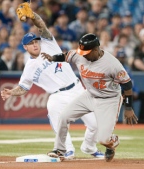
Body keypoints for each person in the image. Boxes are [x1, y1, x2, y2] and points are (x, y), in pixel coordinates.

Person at [1, 10, 104, 160]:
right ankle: (67, 150)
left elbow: (41, 26)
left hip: (76, 88)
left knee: (95, 124)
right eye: (30, 43)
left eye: (35, 41)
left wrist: (32, 15)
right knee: (53, 108)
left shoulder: (49, 44)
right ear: (25, 47)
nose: (35, 44)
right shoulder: (29, 68)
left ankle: (89, 147)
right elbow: (23, 87)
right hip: (58, 95)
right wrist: (11, 92)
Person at [41, 33, 138, 162]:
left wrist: (129, 107)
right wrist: (52, 58)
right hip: (89, 95)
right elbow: (66, 56)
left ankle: (111, 143)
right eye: (82, 51)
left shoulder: (112, 64)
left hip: (108, 100)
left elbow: (127, 85)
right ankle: (60, 149)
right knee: (63, 116)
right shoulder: (79, 55)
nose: (83, 54)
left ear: (97, 49)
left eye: (87, 51)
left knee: (103, 139)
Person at [115, 48, 144, 124]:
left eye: (123, 57)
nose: (121, 59)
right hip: (120, 92)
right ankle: (129, 120)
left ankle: (142, 119)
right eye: (120, 57)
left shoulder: (127, 69)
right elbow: (116, 84)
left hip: (129, 90)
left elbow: (132, 82)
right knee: (128, 95)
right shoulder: (114, 68)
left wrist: (135, 91)